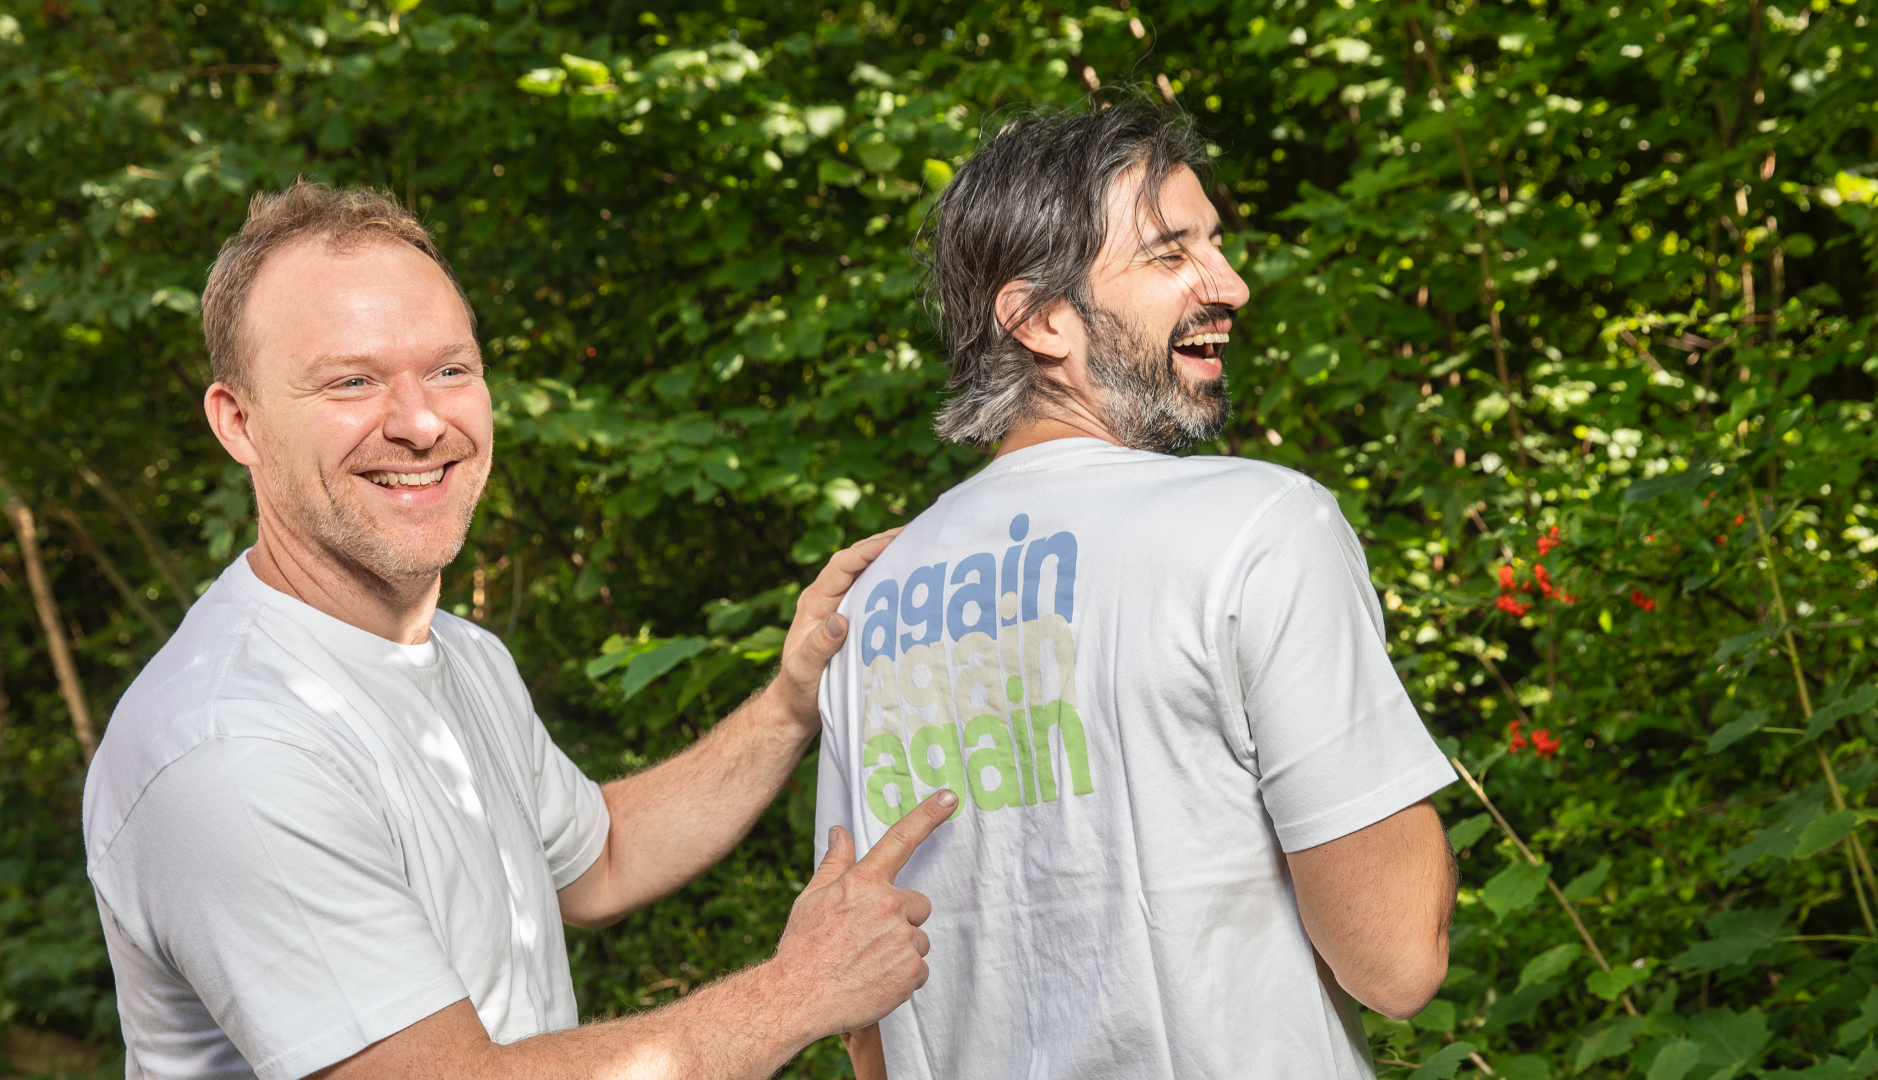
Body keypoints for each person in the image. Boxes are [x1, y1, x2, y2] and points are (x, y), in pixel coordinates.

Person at [81, 180, 956, 1080]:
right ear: (239, 423)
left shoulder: (461, 655)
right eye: (352, 381)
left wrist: (788, 703)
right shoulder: (232, 747)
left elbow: (603, 856)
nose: (421, 422)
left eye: (450, 370)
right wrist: (797, 992)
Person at [814, 101, 1459, 1079]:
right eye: (1172, 256)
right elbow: (1399, 959)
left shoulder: (870, 604)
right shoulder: (1260, 527)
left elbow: (863, 1014)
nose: (1230, 285)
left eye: (1217, 245)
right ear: (1040, 319)